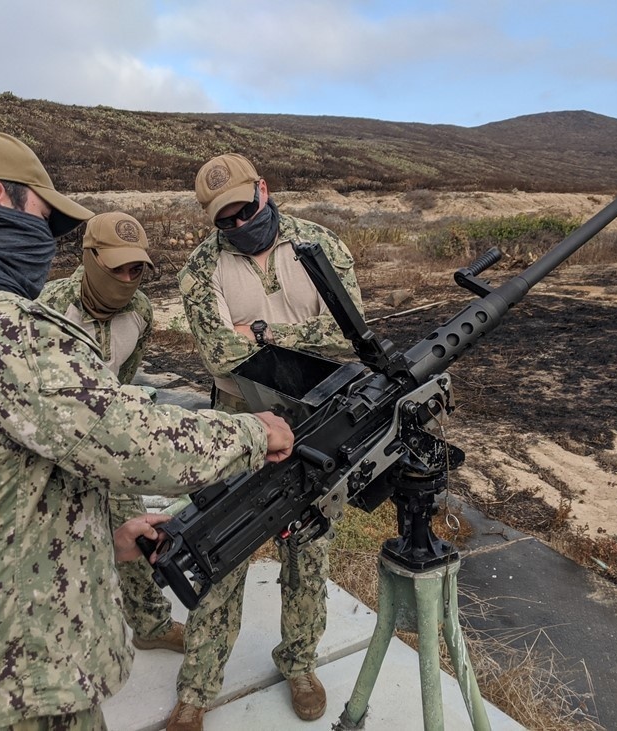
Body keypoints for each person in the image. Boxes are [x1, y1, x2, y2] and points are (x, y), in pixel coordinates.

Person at [0, 127, 294, 730]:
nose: (44, 244)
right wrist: (253, 434)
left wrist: (99, 539)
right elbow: (130, 440)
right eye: (42, 221)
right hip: (16, 670)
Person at [169, 153, 364, 730]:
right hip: (239, 425)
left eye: (243, 210)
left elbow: (348, 335)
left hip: (320, 419)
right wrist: (287, 346)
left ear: (264, 189)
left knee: (308, 552)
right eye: (222, 219)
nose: (235, 226)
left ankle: (299, 662)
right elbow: (217, 354)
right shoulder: (200, 267)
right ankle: (197, 689)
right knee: (220, 550)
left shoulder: (318, 246)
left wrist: (262, 332)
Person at [39, 211, 185, 653]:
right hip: (51, 448)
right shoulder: (46, 308)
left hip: (108, 443)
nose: (126, 279)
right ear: (89, 258)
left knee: (133, 528)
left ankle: (150, 624)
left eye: (136, 269)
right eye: (115, 268)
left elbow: (121, 379)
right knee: (54, 543)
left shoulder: (140, 312)